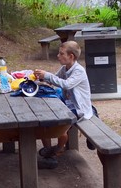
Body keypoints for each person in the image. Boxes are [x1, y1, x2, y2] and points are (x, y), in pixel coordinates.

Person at [33, 40, 93, 169]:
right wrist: (40, 78)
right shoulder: (65, 68)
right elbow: (54, 80)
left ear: (71, 56)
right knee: (44, 118)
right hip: (67, 103)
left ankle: (57, 149)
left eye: (61, 54)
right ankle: (48, 151)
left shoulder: (79, 71)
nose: (58, 56)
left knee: (60, 126)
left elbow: (66, 84)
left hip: (79, 108)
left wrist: (47, 75)